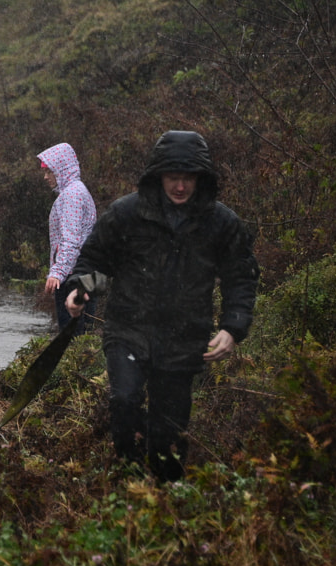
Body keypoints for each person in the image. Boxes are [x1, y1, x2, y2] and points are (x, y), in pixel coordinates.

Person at [65, 130, 259, 482]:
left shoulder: (221, 223)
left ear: (201, 179)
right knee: (124, 402)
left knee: (169, 434)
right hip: (128, 330)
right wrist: (80, 289)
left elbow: (241, 277)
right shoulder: (126, 214)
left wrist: (233, 327)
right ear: (158, 176)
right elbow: (96, 262)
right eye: (173, 177)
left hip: (184, 339)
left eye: (188, 178)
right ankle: (129, 482)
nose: (180, 186)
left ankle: (166, 499)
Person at [37, 142, 97, 333]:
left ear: (61, 169)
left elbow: (71, 240)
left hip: (74, 277)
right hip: (83, 274)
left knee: (73, 336)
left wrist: (58, 272)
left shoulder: (72, 195)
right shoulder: (75, 192)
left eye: (49, 172)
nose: (46, 177)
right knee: (82, 336)